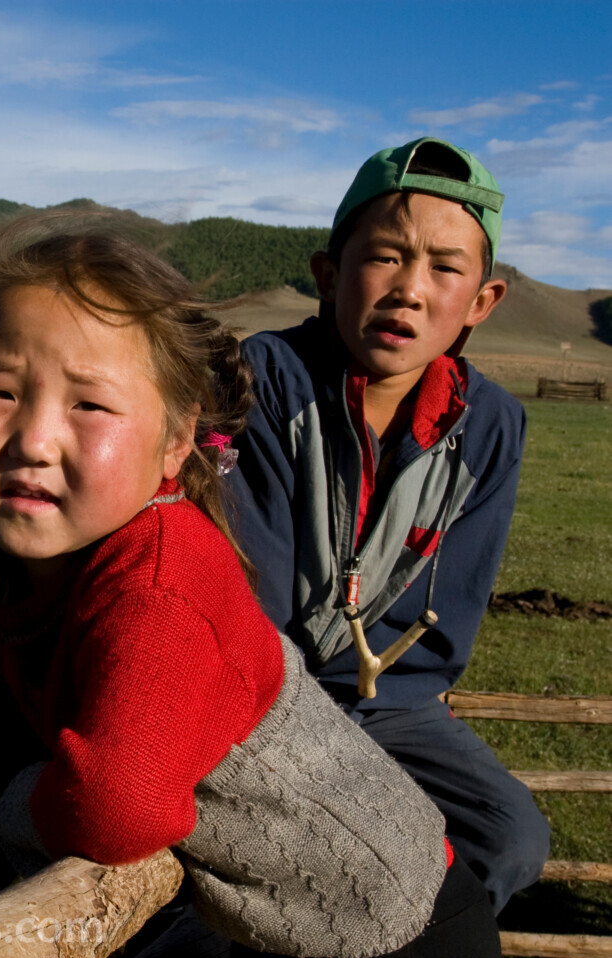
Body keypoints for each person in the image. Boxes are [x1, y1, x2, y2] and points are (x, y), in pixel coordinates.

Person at [0, 217, 501, 958]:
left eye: (91, 406)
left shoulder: (159, 586)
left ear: (175, 443)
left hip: (395, 946)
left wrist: (18, 804)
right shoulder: (46, 564)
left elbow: (121, 807)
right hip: (303, 928)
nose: (33, 437)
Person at [225, 137, 550, 914]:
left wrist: (385, 718)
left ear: (481, 302)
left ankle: (392, 954)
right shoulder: (262, 380)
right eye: (386, 258)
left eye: (445, 268)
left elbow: (444, 628)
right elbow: (251, 604)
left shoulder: (492, 425)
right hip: (261, 695)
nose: (410, 289)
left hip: (393, 704)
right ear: (330, 274)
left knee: (509, 838)